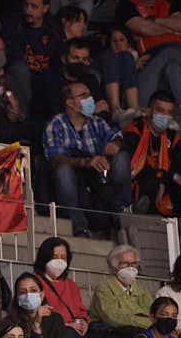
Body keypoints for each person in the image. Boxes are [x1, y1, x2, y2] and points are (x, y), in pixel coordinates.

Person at [42, 82, 132, 236]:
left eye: (89, 94)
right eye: (83, 96)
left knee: (122, 157)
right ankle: (79, 226)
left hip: (97, 177)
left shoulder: (97, 122)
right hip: (74, 178)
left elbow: (118, 137)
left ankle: (121, 214)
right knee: (62, 171)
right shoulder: (55, 123)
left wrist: (115, 144)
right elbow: (55, 159)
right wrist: (84, 162)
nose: (90, 99)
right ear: (70, 103)